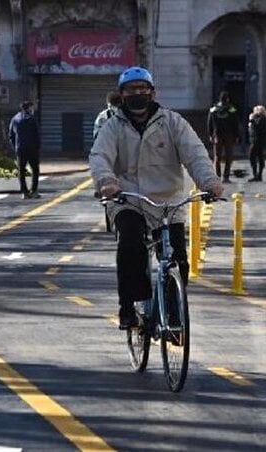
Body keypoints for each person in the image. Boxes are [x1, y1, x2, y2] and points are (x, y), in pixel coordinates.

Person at [90, 66, 224, 329]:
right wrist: (107, 182)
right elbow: (100, 156)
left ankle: (174, 316)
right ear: (122, 94)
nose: (137, 94)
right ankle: (130, 307)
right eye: (131, 90)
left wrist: (210, 182)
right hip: (127, 199)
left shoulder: (172, 122)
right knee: (130, 244)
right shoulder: (113, 126)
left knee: (178, 260)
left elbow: (195, 154)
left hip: (168, 202)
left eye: (143, 89)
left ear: (153, 92)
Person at [8, 100, 41, 199]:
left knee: (21, 171)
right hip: (32, 149)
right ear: (29, 108)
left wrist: (15, 147)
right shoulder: (32, 119)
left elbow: (11, 135)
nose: (33, 109)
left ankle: (25, 192)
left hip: (20, 148)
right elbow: (36, 135)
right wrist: (38, 147)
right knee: (35, 169)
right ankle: (34, 191)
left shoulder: (15, 119)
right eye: (32, 107)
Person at [207, 90, 239, 182]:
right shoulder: (231, 109)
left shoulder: (213, 109)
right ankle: (226, 177)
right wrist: (236, 135)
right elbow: (235, 123)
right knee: (228, 156)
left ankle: (217, 177)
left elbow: (209, 123)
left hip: (217, 135)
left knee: (217, 157)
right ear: (227, 99)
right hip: (229, 135)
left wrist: (210, 134)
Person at [247, 105, 266, 182]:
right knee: (259, 157)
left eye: (255, 110)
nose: (254, 112)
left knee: (252, 156)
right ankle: (258, 175)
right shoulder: (258, 118)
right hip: (254, 139)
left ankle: (257, 175)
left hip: (257, 140)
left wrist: (251, 120)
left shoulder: (261, 118)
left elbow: (257, 126)